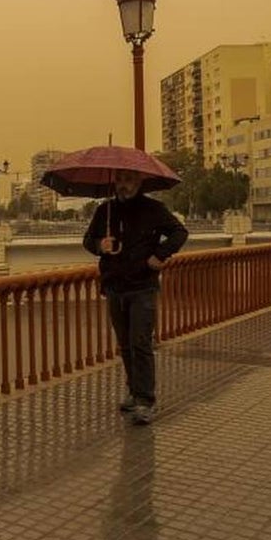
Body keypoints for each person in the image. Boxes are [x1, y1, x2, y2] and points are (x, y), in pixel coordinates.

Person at [82, 169, 187, 425]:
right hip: (115, 286)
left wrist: (160, 255)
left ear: (139, 183)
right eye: (119, 180)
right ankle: (133, 391)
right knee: (126, 344)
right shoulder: (105, 211)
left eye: (128, 180)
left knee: (140, 342)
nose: (123, 185)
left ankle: (145, 400)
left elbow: (179, 233)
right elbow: (87, 240)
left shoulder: (153, 209)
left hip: (142, 287)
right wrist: (99, 245)